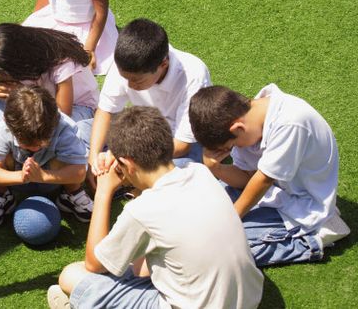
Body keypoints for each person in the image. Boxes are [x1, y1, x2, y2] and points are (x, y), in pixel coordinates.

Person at [48, 106, 263, 309]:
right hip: (248, 299)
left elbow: (94, 264)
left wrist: (103, 191)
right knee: (141, 264)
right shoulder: (200, 173)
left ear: (128, 164)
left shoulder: (141, 210)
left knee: (72, 276)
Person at [188, 84, 350, 266]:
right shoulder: (250, 120)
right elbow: (247, 178)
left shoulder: (291, 123)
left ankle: (313, 239)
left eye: (232, 146)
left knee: (221, 249)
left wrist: (231, 219)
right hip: (272, 193)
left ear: (237, 128)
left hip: (301, 206)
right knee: (200, 210)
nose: (235, 149)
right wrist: (216, 168)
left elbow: (263, 180)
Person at [83, 18, 211, 190]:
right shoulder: (126, 62)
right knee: (82, 131)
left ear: (163, 64)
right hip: (139, 128)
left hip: (175, 143)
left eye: (137, 81)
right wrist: (93, 158)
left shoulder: (194, 75)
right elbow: (105, 111)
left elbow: (183, 144)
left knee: (181, 170)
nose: (129, 85)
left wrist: (126, 155)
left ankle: (129, 180)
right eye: (125, 78)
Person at [0, 86, 93, 231]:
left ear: (56, 120)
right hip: (15, 176)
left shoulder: (65, 127)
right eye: (27, 144)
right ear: (7, 122)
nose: (35, 149)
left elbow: (79, 172)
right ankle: (1, 194)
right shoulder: (2, 130)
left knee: (69, 157)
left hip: (54, 176)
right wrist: (22, 176)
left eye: (41, 143)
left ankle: (72, 193)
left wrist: (43, 176)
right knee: (1, 156)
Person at [0, 23, 98, 132]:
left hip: (77, 108)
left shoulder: (61, 61)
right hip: (35, 106)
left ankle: (24, 140)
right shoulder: (15, 58)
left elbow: (63, 114)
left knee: (63, 128)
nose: (8, 81)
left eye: (9, 77)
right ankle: (23, 140)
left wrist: (25, 95)